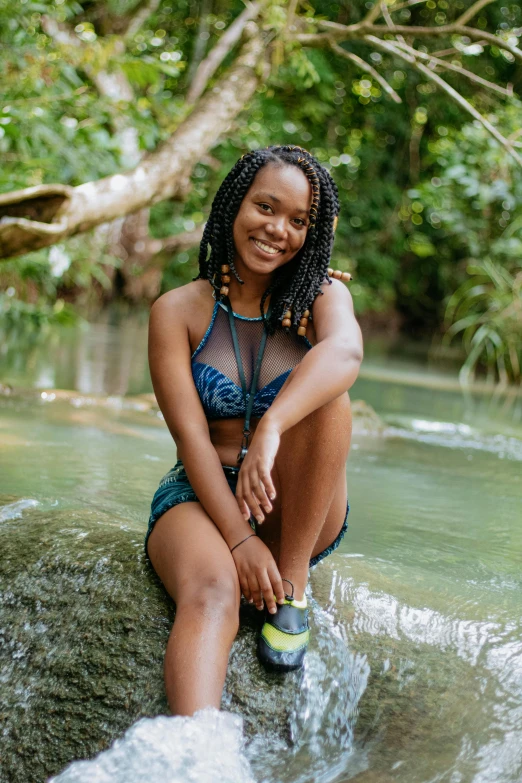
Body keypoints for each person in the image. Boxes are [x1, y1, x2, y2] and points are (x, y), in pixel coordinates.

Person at [145, 144, 363, 717]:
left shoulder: (321, 298)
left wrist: (272, 426)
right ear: (233, 204)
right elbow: (191, 439)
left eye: (299, 221)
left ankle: (292, 589)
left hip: (295, 505)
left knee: (331, 398)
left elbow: (347, 351)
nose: (278, 230)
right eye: (265, 207)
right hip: (202, 493)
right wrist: (239, 543)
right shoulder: (177, 311)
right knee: (213, 590)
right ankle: (194, 754)